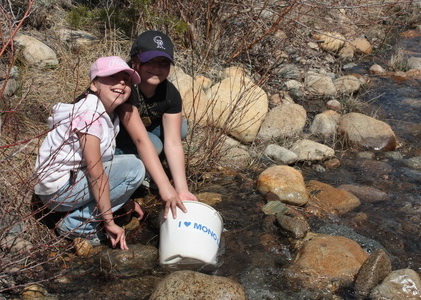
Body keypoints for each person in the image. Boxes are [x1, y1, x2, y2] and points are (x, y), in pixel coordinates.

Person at [34, 56, 186, 250]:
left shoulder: (107, 113)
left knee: (128, 163)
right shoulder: (90, 115)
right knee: (134, 167)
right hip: (58, 192)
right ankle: (77, 225)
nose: (121, 82)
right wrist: (109, 221)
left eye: (127, 80)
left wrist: (123, 200)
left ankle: (80, 216)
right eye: (112, 77)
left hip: (64, 185)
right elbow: (96, 173)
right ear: (94, 85)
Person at [116, 30, 198, 202]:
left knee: (180, 127)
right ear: (135, 60)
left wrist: (182, 190)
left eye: (163, 63)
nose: (157, 69)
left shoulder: (170, 93)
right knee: (153, 145)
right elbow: (141, 140)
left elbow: (174, 143)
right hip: (111, 137)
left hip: (139, 131)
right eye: (149, 62)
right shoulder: (123, 85)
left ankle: (152, 163)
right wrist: (165, 187)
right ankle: (140, 171)